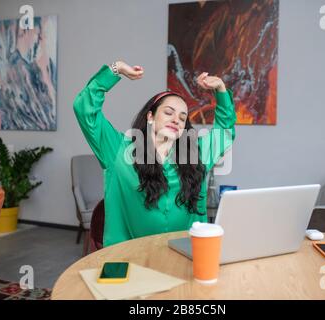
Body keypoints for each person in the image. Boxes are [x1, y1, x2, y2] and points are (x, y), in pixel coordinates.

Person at [73, 61, 236, 247]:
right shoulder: (119, 150)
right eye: (168, 113)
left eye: (182, 118)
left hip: (184, 256)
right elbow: (85, 110)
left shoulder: (196, 154)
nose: (176, 120)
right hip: (129, 258)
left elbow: (225, 131)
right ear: (150, 116)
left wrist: (221, 89)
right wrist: (116, 69)